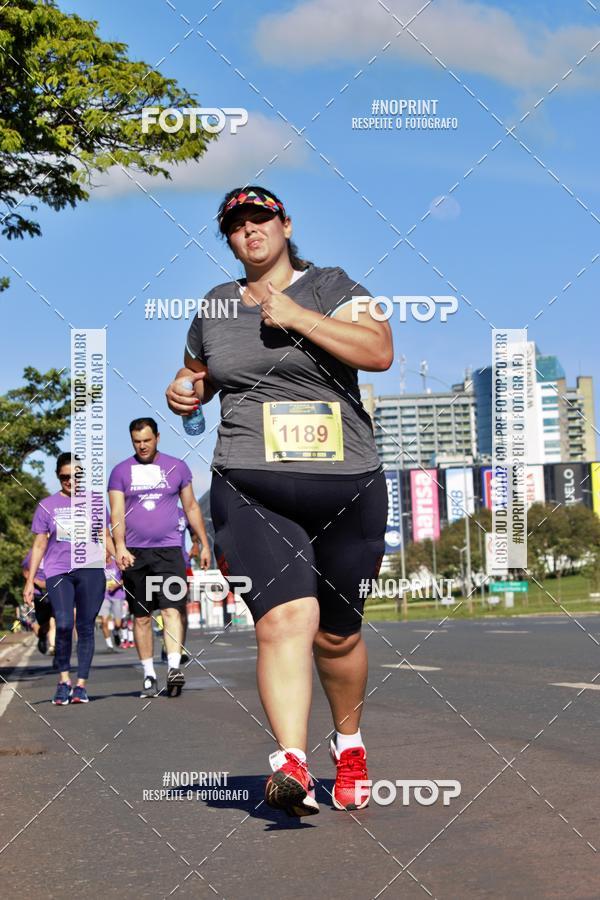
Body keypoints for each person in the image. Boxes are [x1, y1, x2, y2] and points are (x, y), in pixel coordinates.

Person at [166, 186, 392, 815]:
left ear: (285, 224)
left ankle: (349, 745)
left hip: (346, 484)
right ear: (230, 240)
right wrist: (184, 391)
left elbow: (378, 351)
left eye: (259, 218)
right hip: (251, 481)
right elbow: (197, 376)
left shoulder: (332, 286)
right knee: (285, 620)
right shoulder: (213, 306)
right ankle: (290, 763)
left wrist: (295, 316)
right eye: (236, 225)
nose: (249, 231)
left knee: (338, 638)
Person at [108, 418, 211, 698]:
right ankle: (149, 674)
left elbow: (190, 507)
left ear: (158, 438)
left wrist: (203, 543)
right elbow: (116, 514)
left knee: (171, 609)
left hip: (169, 552)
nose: (142, 446)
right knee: (141, 617)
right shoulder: (120, 472)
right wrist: (119, 547)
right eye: (136, 442)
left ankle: (174, 668)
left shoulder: (177, 467)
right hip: (135, 553)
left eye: (147, 440)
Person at [23, 453, 111, 705]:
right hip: (58, 571)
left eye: (76, 476)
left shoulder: (95, 502)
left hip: (91, 570)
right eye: (65, 477)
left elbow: (105, 536)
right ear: (58, 477)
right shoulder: (46, 506)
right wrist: (30, 582)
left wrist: (120, 555)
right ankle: (63, 681)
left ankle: (80, 685)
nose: (70, 481)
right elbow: (39, 545)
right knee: (62, 624)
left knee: (84, 626)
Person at [22, 549, 56, 657]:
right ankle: (42, 636)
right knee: (43, 623)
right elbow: (25, 571)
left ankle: (53, 647)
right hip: (38, 594)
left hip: (54, 592)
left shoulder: (57, 551)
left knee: (54, 620)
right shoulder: (34, 552)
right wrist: (38, 582)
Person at [99, 559, 125, 652]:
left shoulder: (116, 563)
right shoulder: (99, 564)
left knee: (118, 623)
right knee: (104, 621)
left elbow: (125, 578)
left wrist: (116, 586)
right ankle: (109, 645)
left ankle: (115, 631)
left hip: (117, 595)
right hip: (104, 596)